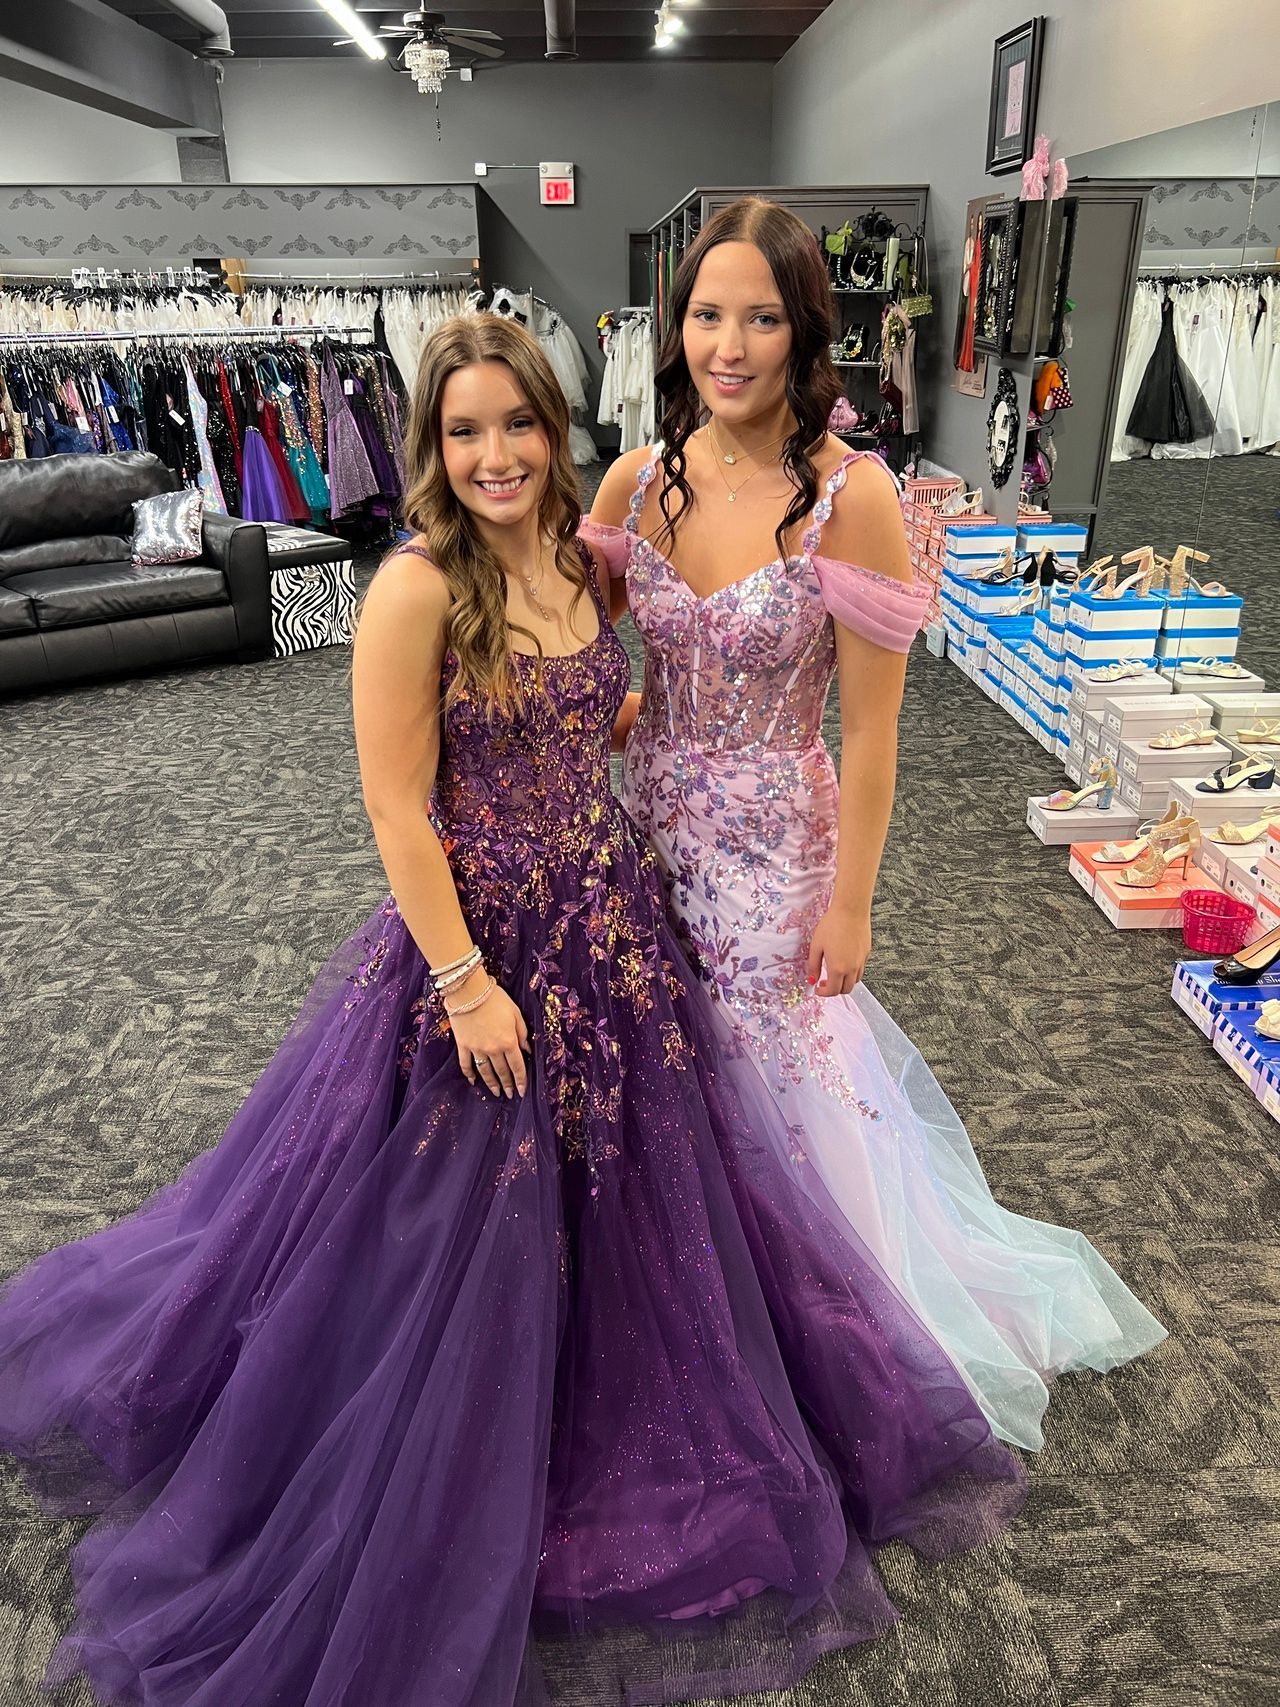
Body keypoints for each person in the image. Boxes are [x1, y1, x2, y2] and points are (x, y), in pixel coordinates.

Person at [0, 315, 1025, 1707]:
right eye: (464, 430)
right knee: (451, 1229)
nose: (494, 455)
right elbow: (393, 802)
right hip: (476, 945)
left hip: (611, 918)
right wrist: (464, 979)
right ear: (431, 445)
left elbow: (594, 717)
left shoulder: (581, 555)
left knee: (644, 1208)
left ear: (556, 430)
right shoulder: (417, 583)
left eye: (517, 425)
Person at [585, 196, 1167, 1455]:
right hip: (653, 829)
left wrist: (850, 902)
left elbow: (870, 733)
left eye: (758, 318)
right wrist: (622, 712)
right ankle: (682, 1303)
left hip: (777, 850)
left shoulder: (851, 497)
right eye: (702, 315)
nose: (726, 347)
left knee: (771, 1079)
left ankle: (805, 1332)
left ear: (805, 332)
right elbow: (594, 653)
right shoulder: (637, 482)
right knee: (665, 1064)